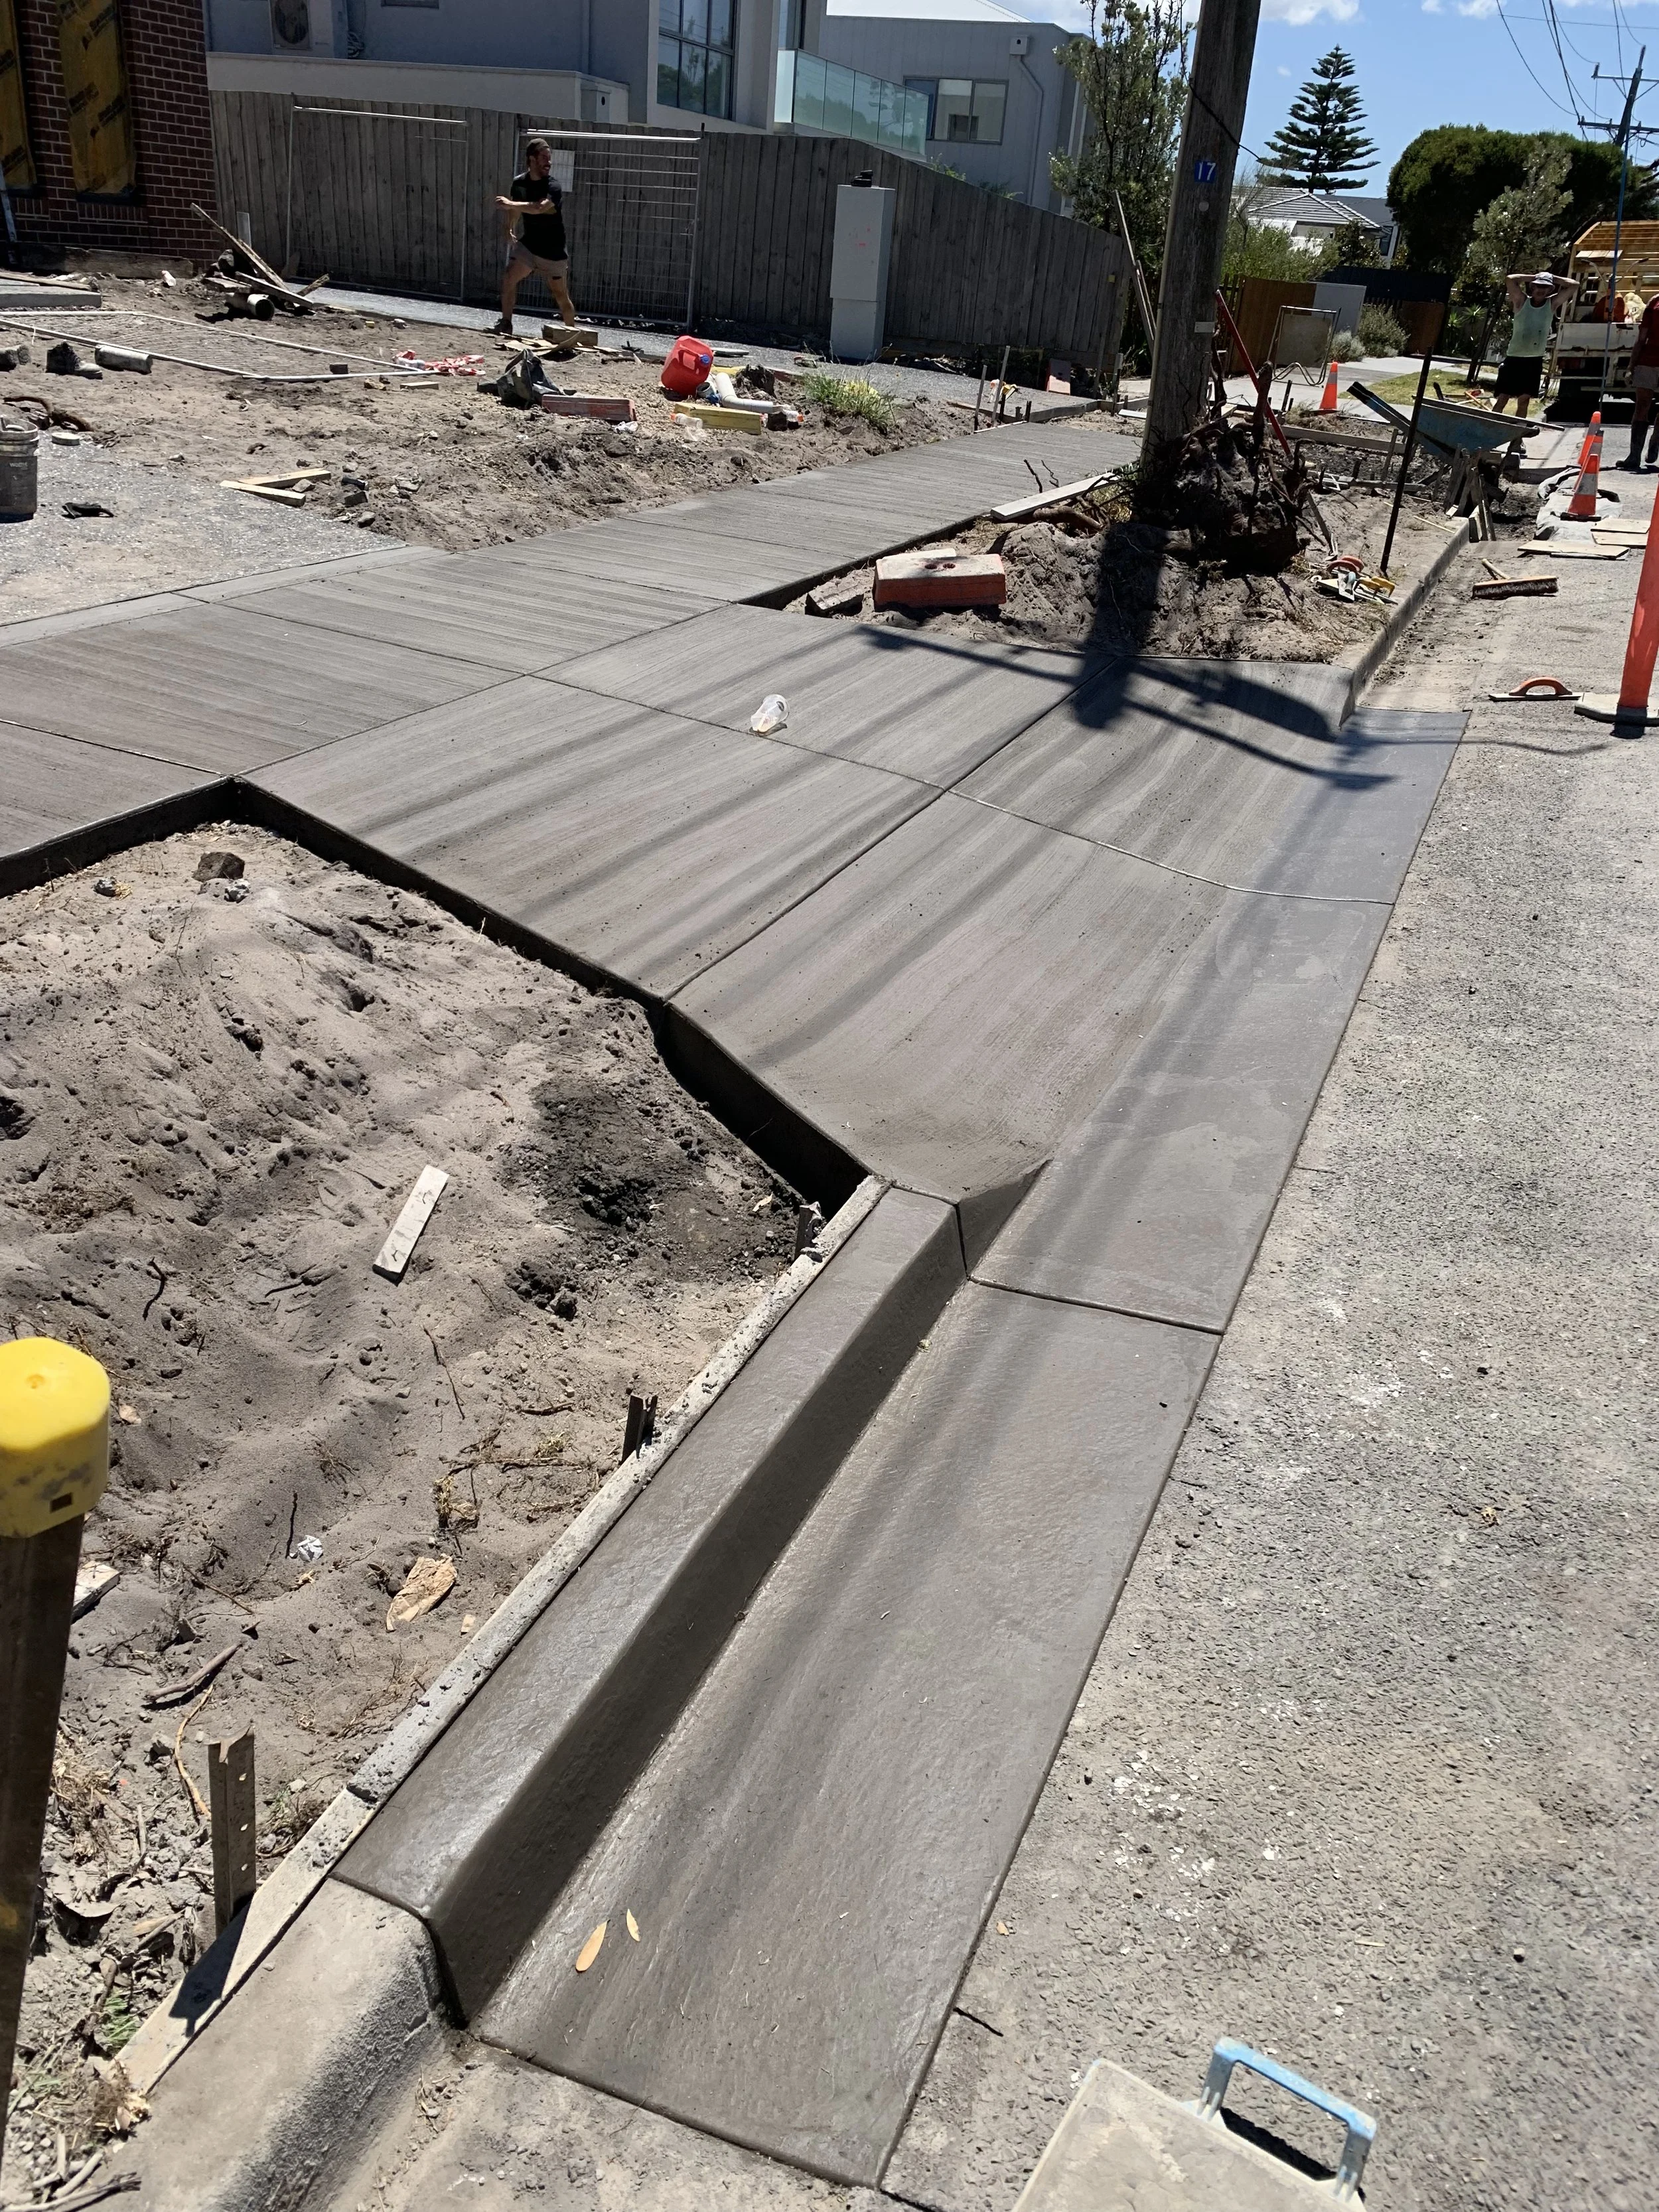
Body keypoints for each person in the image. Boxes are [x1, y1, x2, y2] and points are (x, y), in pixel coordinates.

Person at [494, 137, 577, 337]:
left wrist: (510, 205)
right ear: (531, 159)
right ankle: (506, 323)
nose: (548, 162)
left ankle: (573, 335)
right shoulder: (519, 183)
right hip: (530, 247)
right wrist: (510, 225)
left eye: (549, 158)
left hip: (553, 252)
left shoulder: (553, 187)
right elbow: (515, 207)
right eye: (543, 157)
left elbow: (538, 208)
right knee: (508, 277)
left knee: (561, 296)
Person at [1491, 269, 1575, 423]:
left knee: (1524, 401)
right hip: (1514, 359)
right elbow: (1510, 279)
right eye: (1538, 286)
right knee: (1503, 398)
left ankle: (1517, 439)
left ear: (1550, 290)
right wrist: (1535, 277)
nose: (1541, 290)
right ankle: (1488, 433)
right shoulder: (1521, 301)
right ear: (1532, 288)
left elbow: (1574, 286)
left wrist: (1552, 278)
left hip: (1533, 361)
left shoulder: (1551, 304)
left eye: (1545, 288)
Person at [1622, 287, 1659, 468]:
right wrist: (1631, 366)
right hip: (1649, 361)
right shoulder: (1655, 302)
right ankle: (1634, 455)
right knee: (1642, 406)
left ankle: (1656, 440)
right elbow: (1641, 338)